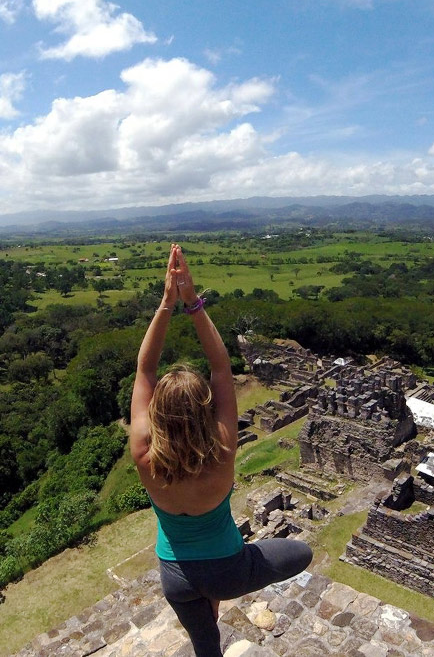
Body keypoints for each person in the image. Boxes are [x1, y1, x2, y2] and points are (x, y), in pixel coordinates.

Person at [130, 244, 313, 657]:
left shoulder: (143, 453)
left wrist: (166, 304)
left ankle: (207, 608)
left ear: (156, 412)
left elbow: (144, 369)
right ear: (205, 411)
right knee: (300, 552)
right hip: (228, 570)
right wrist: (192, 302)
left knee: (206, 645)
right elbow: (221, 368)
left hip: (175, 576)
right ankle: (214, 592)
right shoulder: (222, 450)